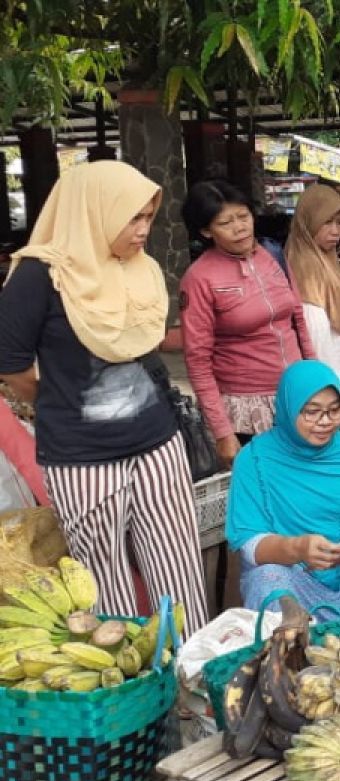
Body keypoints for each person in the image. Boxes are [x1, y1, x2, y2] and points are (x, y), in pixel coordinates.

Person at [0, 161, 208, 636]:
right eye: (131, 218)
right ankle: (132, 691)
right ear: (91, 213)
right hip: (82, 457)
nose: (142, 231)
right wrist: (52, 398)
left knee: (178, 562)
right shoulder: (40, 276)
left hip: (157, 442)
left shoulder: (138, 270)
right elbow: (10, 362)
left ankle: (195, 679)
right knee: (104, 577)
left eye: (148, 217)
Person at [226, 360, 340, 619]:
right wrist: (297, 548)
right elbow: (248, 543)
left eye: (334, 411)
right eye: (311, 412)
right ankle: (288, 652)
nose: (325, 421)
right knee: (268, 577)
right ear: (288, 410)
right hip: (293, 579)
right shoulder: (254, 458)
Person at [180, 179, 315, 467]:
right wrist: (222, 433)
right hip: (246, 409)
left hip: (297, 393)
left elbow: (298, 320)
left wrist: (315, 377)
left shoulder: (273, 256)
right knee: (268, 492)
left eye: (244, 216)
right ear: (206, 231)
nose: (239, 227)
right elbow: (198, 361)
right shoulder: (199, 278)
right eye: (225, 223)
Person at [285, 184, 340, 420]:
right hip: (330, 373)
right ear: (308, 221)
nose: (335, 231)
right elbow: (314, 332)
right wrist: (328, 388)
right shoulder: (304, 264)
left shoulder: (326, 258)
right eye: (327, 222)